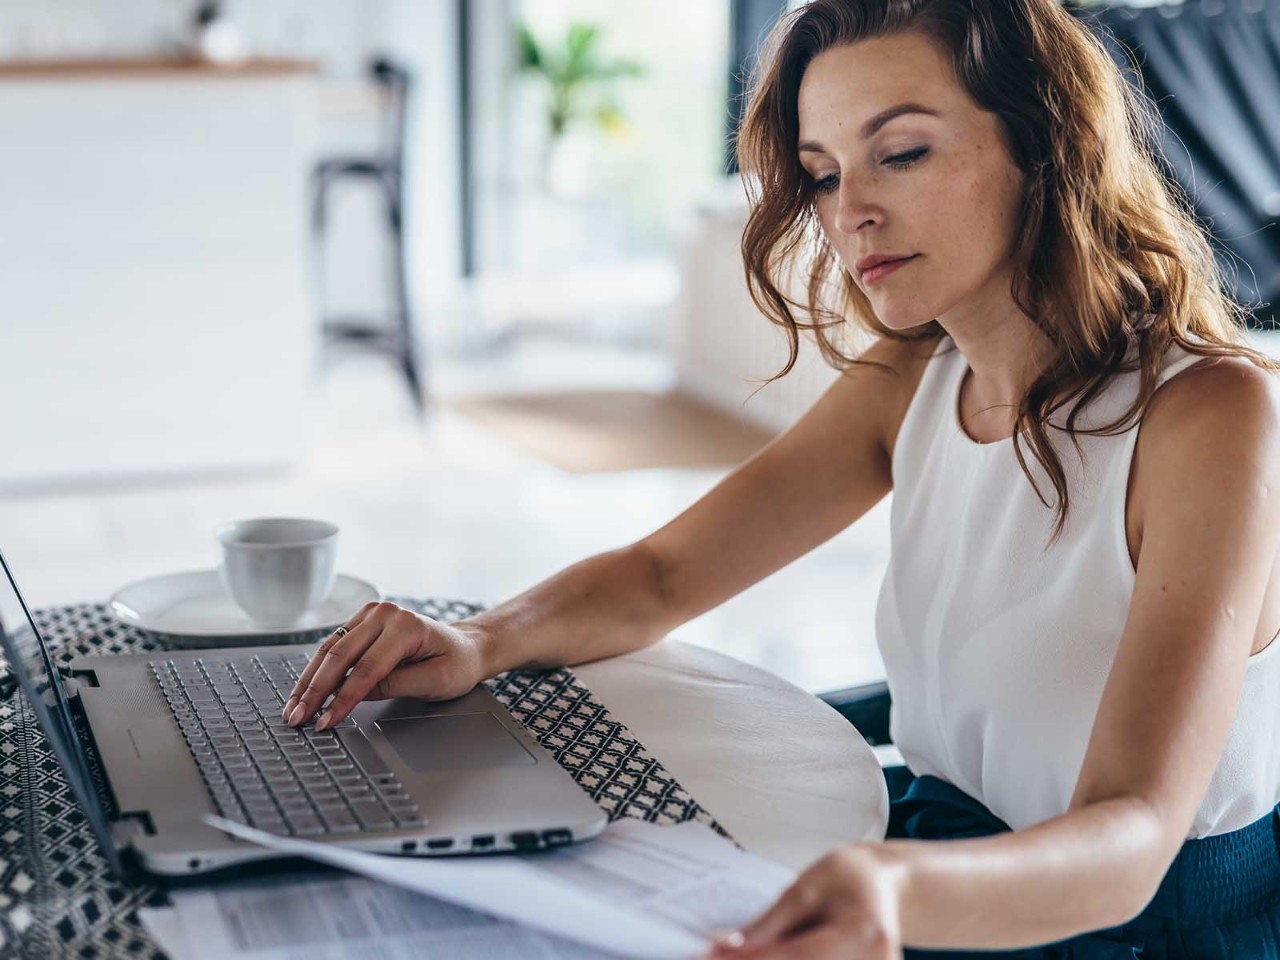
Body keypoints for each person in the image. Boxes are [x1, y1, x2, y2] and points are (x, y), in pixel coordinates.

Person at [281, 0, 1280, 956]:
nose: (851, 213)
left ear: (1042, 142)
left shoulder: (1210, 415)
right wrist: (476, 639)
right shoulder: (917, 371)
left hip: (1134, 933)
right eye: (819, 173)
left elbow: (1132, 839)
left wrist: (888, 888)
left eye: (899, 153)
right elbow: (663, 578)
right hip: (931, 870)